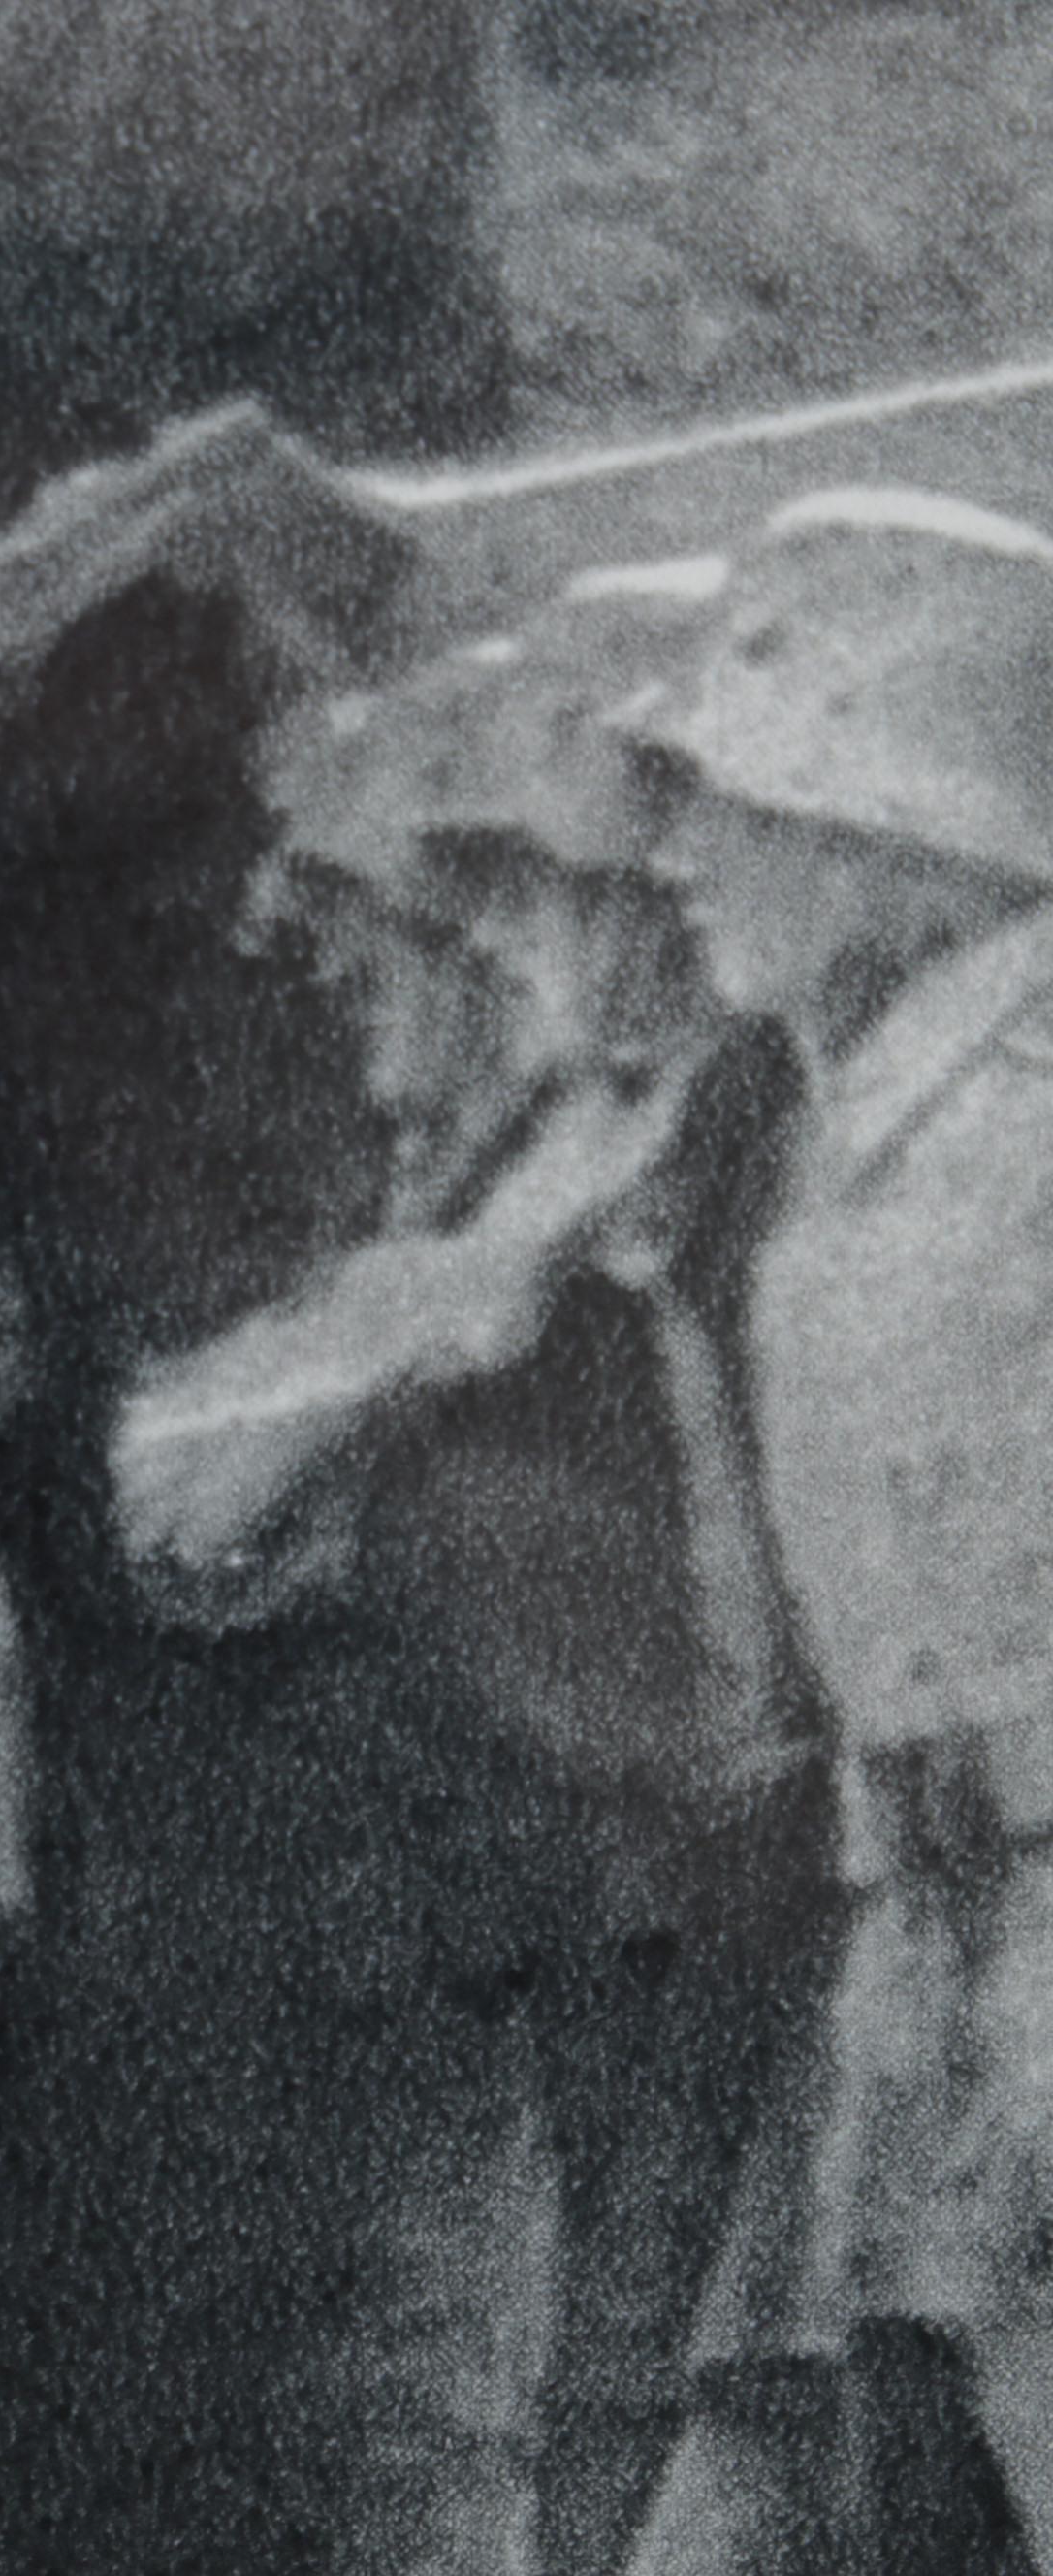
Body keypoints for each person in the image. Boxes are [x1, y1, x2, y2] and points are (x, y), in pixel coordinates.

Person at [111, 570, 821, 2576]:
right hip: (552, 1866)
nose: (451, 962)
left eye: (500, 907)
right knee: (543, 2381)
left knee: (648, 2375)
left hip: (692, 1853)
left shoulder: (695, 1115)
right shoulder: (531, 1143)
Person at [617, 488, 1053, 2576]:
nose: (682, 855)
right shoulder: (846, 1111)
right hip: (939, 1925)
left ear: (883, 809)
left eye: (734, 799)